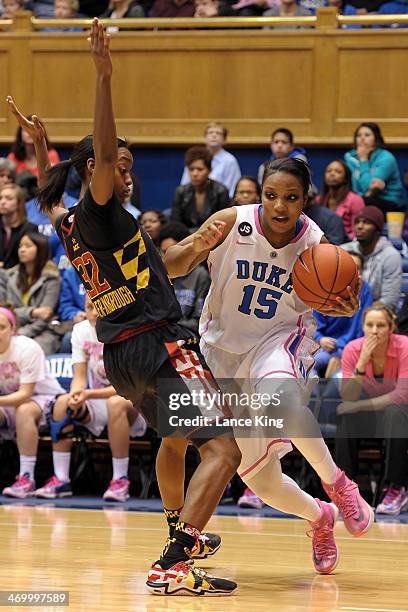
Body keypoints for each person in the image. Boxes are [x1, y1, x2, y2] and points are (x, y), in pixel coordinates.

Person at [7, 19, 241, 597]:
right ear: (98, 171)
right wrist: (103, 76)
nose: (126, 173)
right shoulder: (101, 209)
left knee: (175, 442)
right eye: (120, 166)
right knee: (225, 448)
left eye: (130, 167)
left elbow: (50, 189)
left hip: (121, 355)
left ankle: (178, 534)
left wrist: (41, 148)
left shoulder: (70, 224)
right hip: (159, 343)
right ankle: (175, 561)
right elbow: (103, 153)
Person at [165, 157, 374, 576]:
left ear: (305, 201)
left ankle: (339, 483)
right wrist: (197, 246)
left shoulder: (315, 242)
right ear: (260, 194)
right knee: (260, 479)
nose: (280, 205)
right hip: (220, 352)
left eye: (291, 198)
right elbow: (168, 266)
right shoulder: (230, 221)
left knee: (279, 398)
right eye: (271, 195)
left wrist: (344, 301)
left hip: (279, 341)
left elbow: (343, 291)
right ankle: (320, 516)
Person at [35, 296, 147, 500]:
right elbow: (79, 377)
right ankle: (61, 479)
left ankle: (120, 480)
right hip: (97, 399)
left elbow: (129, 387)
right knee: (62, 402)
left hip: (132, 401)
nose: (95, 312)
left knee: (115, 403)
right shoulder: (80, 330)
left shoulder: (127, 330)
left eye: (100, 307)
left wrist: (88, 393)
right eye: (89, 307)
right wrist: (76, 394)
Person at [336, 303, 408, 516]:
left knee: (395, 413)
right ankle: (346, 490)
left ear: (391, 327)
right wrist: (361, 362)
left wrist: (357, 405)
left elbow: (401, 395)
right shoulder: (352, 349)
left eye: (381, 325)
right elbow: (347, 397)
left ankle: (396, 487)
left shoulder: (404, 347)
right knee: (347, 420)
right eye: (370, 325)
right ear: (363, 327)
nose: (375, 331)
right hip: (374, 414)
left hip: (401, 413)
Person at [0, 306, 64, 498]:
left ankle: (26, 478)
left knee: (24, 410)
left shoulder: (27, 347)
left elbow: (25, 394)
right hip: (8, 402)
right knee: (20, 409)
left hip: (45, 400)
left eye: (1, 327)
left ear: (13, 330)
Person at [313, 252, 373, 378]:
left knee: (339, 378)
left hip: (351, 349)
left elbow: (364, 330)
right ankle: (315, 397)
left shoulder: (365, 290)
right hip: (326, 346)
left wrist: (341, 354)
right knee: (307, 368)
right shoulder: (324, 288)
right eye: (352, 268)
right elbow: (314, 324)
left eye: (359, 268)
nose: (355, 273)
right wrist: (320, 339)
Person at [5, 231, 61, 354]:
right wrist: (33, 312)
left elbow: (45, 316)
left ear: (40, 249)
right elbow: (8, 312)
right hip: (14, 329)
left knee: (30, 351)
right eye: (20, 246)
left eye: (28, 246)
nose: (22, 250)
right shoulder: (12, 277)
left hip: (44, 331)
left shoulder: (51, 278)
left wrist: (21, 333)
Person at [341, 206, 402, 311]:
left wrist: (359, 313)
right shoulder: (343, 251)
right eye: (357, 222)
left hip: (373, 316)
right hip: (342, 311)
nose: (360, 226)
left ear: (378, 229)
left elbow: (389, 301)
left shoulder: (391, 256)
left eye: (366, 222)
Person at [159, 221, 210, 335]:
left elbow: (200, 320)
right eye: (163, 252)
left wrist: (170, 328)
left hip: (188, 336)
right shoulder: (156, 274)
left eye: (171, 252)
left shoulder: (200, 275)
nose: (167, 258)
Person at [344, 122, 406, 213]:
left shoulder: (386, 158)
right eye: (359, 135)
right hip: (364, 198)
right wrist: (366, 195)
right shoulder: (350, 158)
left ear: (376, 140)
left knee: (362, 203)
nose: (362, 138)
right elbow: (353, 187)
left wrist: (363, 160)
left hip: (390, 203)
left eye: (367, 135)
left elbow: (367, 186)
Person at [172, 145, 230, 232]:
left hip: (213, 237)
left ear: (209, 170)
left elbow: (224, 223)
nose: (195, 173)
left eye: (200, 169)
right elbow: (176, 224)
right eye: (191, 169)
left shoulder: (221, 191)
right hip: (185, 238)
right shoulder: (180, 191)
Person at [180, 123, 241, 198]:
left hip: (221, 202)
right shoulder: (194, 157)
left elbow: (232, 188)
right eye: (210, 132)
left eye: (218, 133)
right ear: (205, 138)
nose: (214, 135)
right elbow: (185, 183)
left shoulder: (230, 161)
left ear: (225, 140)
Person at [317, 160, 365, 241]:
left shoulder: (355, 200)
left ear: (345, 178)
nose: (332, 174)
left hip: (347, 243)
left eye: (338, 172)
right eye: (329, 171)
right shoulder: (319, 200)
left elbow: (358, 229)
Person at [0, 184, 38, 270]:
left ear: (18, 203)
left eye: (8, 198)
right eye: (0, 198)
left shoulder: (30, 228)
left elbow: (32, 259)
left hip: (19, 275)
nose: (2, 202)